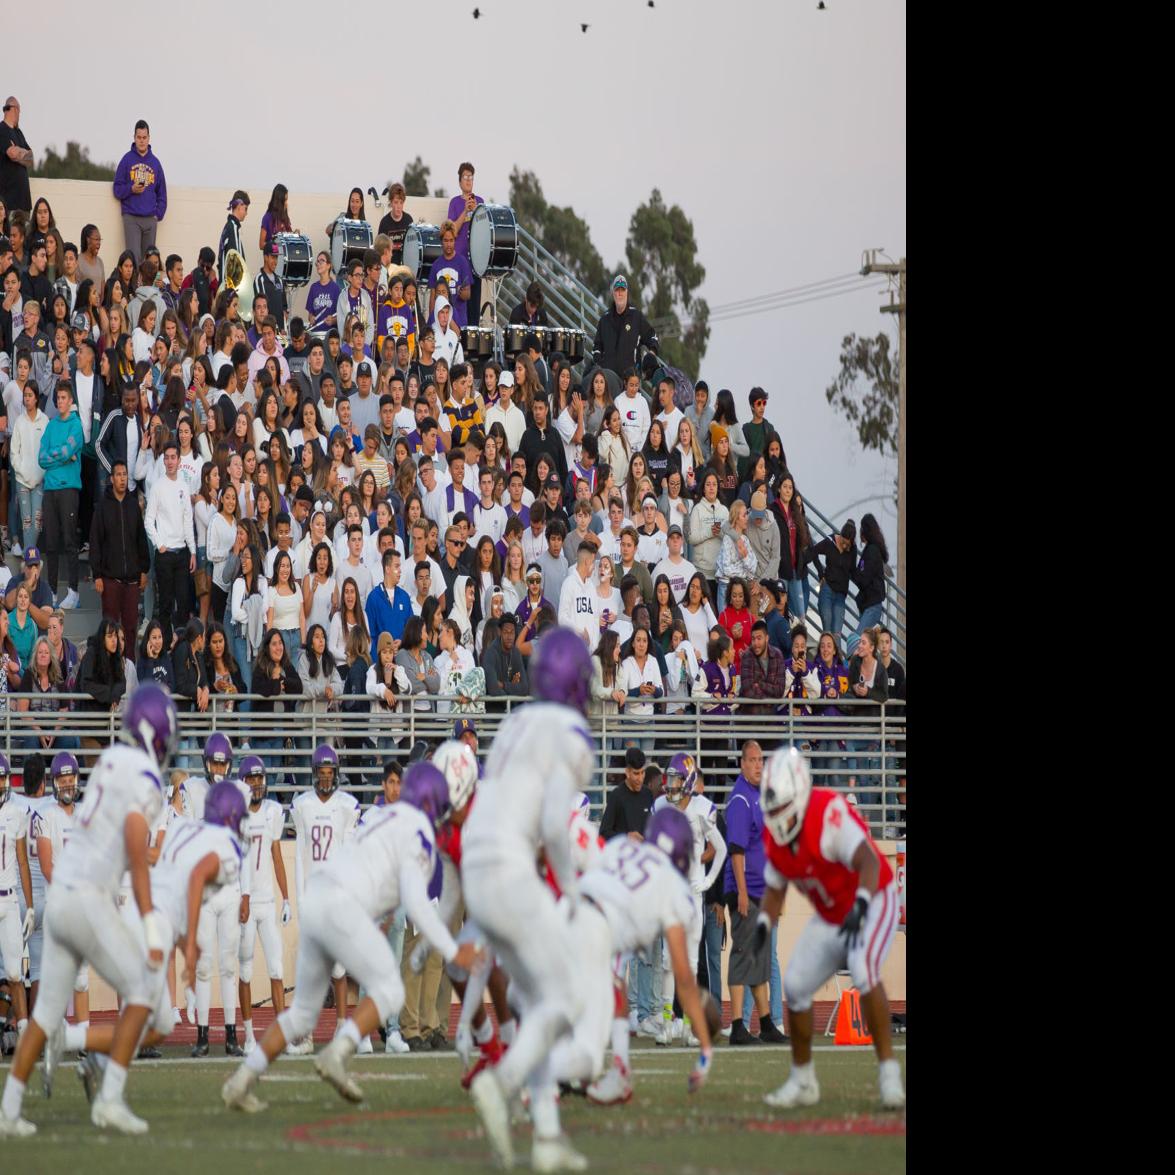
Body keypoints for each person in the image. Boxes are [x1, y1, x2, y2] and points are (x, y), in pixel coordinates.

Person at [223, 761, 476, 1111]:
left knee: (302, 1014)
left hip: (319, 898)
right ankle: (338, 1054)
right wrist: (452, 949)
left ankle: (241, 1081)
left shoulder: (378, 817)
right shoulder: (416, 829)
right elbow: (416, 899)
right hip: (344, 907)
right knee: (389, 989)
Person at [0, 684, 177, 1138]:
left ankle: (9, 1109)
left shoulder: (108, 764)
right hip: (88, 900)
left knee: (44, 1018)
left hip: (61, 898)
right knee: (142, 994)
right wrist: (152, 927)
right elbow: (137, 845)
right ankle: (110, 1099)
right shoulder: (144, 776)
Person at [462, 629, 597, 1172]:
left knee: (540, 999)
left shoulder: (517, 721)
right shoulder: (569, 730)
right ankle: (502, 1082)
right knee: (569, 997)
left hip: (477, 863)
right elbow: (554, 828)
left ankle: (545, 1134)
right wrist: (569, 891)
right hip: (507, 866)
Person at [755, 748, 904, 1109]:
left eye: (782, 808)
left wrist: (863, 905)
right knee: (795, 984)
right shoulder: (776, 835)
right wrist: (762, 922)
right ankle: (803, 1080)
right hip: (831, 912)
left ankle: (889, 1076)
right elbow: (775, 890)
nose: (778, 818)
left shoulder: (828, 813)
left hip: (873, 897)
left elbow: (868, 861)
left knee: (863, 967)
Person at [723, 739, 789, 1046]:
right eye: (752, 760)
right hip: (746, 890)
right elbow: (736, 850)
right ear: (742, 764)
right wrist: (742, 893)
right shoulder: (740, 799)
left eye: (761, 759)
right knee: (743, 956)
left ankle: (765, 1023)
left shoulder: (759, 796)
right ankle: (737, 1024)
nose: (758, 765)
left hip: (763, 891)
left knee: (760, 958)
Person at [234, 756, 292, 1056]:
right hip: (246, 902)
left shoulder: (272, 811)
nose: (256, 784)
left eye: (259, 778)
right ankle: (247, 1035)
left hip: (267, 901)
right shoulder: (235, 815)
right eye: (251, 779)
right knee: (244, 972)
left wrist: (286, 897)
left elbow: (277, 856)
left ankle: (281, 1035)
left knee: (276, 968)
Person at [38, 380, 85, 609]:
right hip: (50, 490)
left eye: (64, 397)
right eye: (58, 398)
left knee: (69, 541)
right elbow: (41, 457)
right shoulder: (50, 425)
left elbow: (67, 450)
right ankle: (53, 592)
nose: (60, 401)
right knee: (51, 543)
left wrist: (60, 456)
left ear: (71, 400)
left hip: (68, 489)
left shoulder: (76, 425)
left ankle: (74, 592)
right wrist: (64, 458)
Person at [145, 440, 197, 648]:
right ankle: (165, 645)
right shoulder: (157, 487)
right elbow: (149, 520)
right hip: (165, 554)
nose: (169, 461)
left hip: (182, 552)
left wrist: (192, 551)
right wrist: (159, 544)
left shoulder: (184, 486)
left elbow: (187, 521)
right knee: (165, 603)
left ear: (179, 460)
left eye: (173, 457)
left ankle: (182, 645)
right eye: (166, 458)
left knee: (183, 602)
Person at [113, 121, 167, 264]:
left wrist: (157, 214)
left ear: (149, 138)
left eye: (144, 137)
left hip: (150, 218)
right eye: (139, 137)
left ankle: (147, 287)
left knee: (149, 261)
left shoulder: (155, 163)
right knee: (134, 259)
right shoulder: (126, 160)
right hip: (131, 217)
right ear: (134, 137)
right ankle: (134, 287)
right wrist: (131, 189)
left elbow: (162, 193)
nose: (141, 141)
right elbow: (117, 189)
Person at [591, 276, 659, 378]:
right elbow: (597, 346)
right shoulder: (604, 320)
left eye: (622, 290)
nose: (620, 293)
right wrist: (600, 366)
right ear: (613, 293)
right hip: (609, 381)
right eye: (617, 290)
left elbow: (652, 336)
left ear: (627, 292)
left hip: (631, 382)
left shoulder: (636, 317)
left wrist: (652, 352)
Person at [0, 97, 33, 215]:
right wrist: (22, 152)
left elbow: (31, 159)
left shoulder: (19, 133)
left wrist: (18, 150)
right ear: (14, 109)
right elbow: (11, 153)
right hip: (10, 204)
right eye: (19, 111)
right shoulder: (2, 129)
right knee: (11, 233)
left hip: (24, 204)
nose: (19, 115)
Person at [376, 182, 414, 266]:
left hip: (404, 266)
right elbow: (379, 250)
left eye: (401, 202)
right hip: (388, 266)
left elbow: (412, 247)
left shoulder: (408, 220)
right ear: (391, 202)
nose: (398, 206)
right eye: (396, 202)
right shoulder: (384, 222)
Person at [218, 191, 250, 280]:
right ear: (239, 206)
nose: (246, 213)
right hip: (230, 287)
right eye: (246, 209)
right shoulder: (232, 228)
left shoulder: (228, 227)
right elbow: (237, 262)